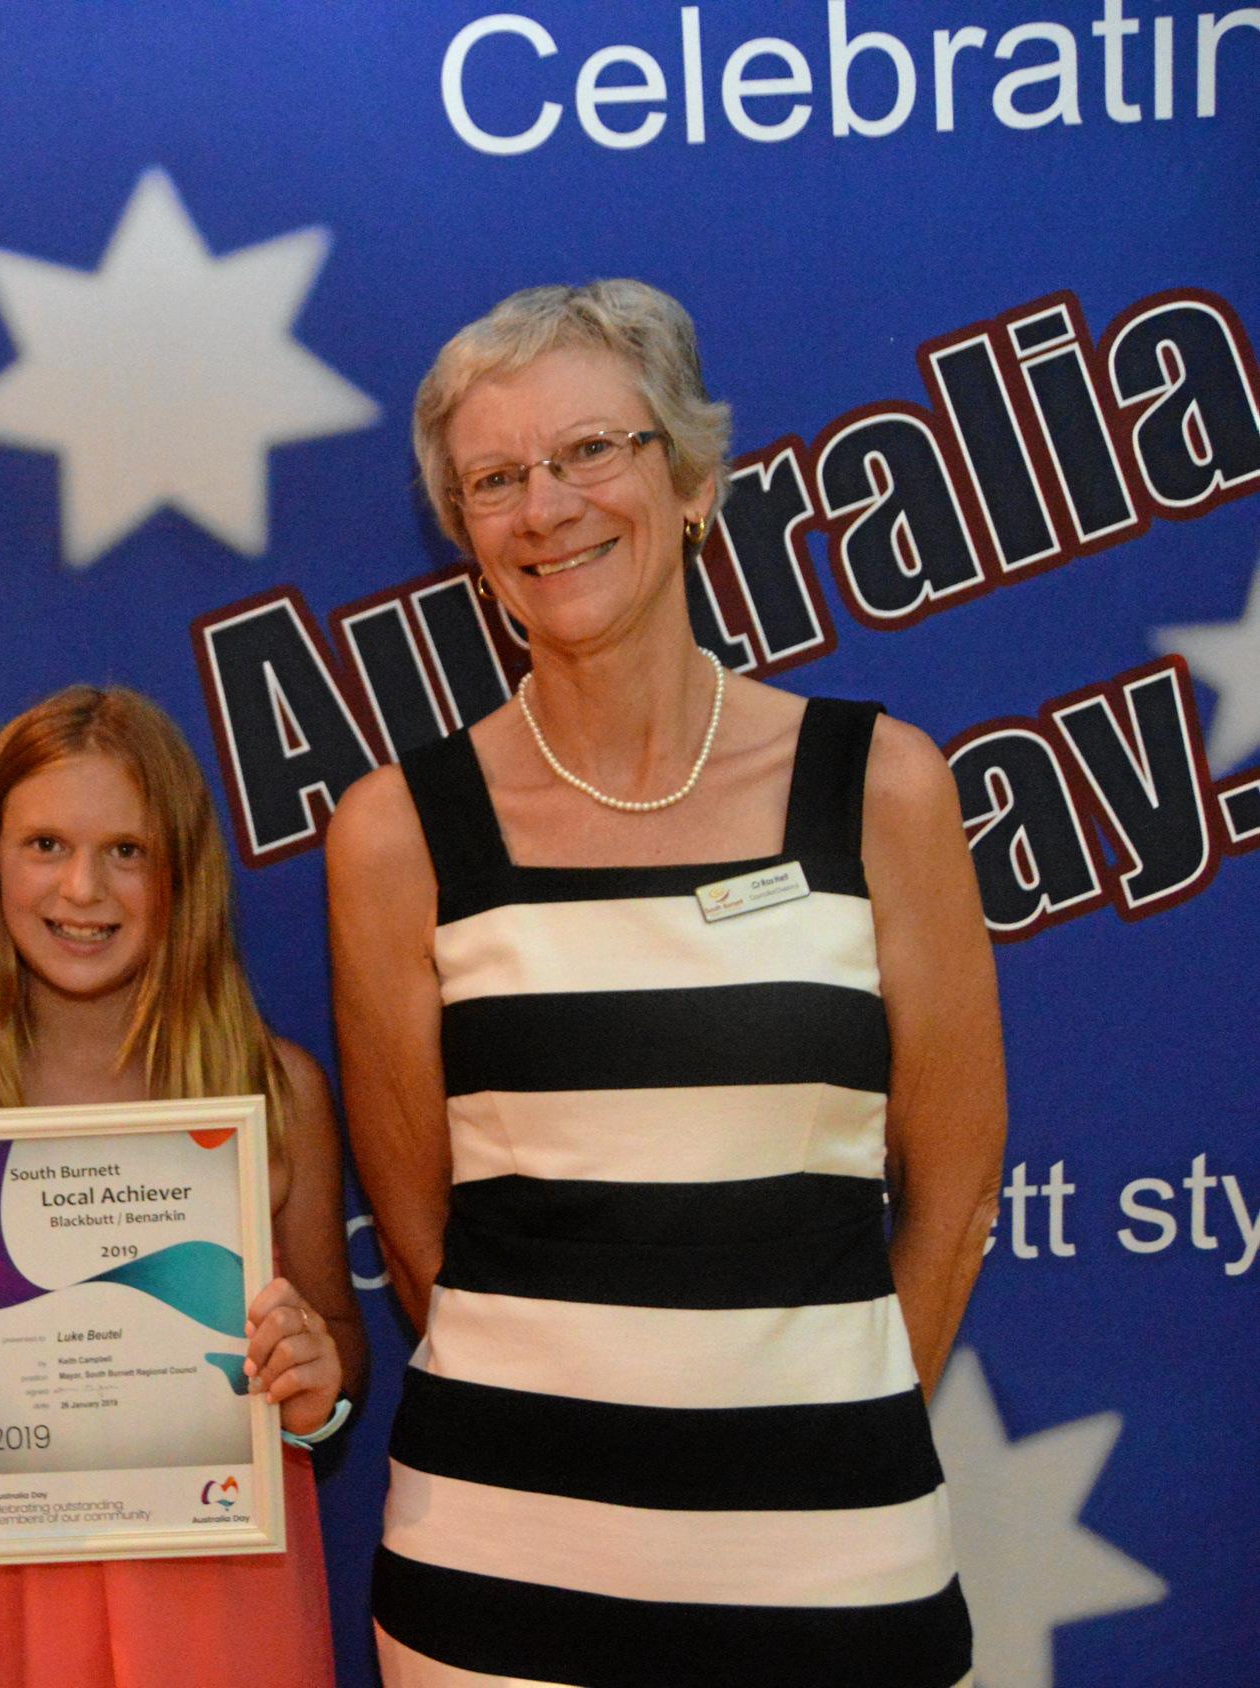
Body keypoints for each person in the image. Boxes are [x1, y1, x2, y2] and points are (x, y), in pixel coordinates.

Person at [328, 281, 1006, 1687]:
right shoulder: (397, 834)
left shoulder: (880, 789)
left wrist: (819, 1434)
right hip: (495, 1582)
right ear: (464, 539)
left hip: (835, 1564)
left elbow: (948, 1200)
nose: (546, 505)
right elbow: (417, 1239)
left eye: (592, 451)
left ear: (691, 477)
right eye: (496, 479)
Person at [0, 685, 368, 1688]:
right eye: (45, 844)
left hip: (227, 1581)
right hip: (2, 1588)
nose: (83, 888)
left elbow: (343, 1344)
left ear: (182, 870)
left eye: (126, 850)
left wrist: (318, 1387)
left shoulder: (273, 1090)